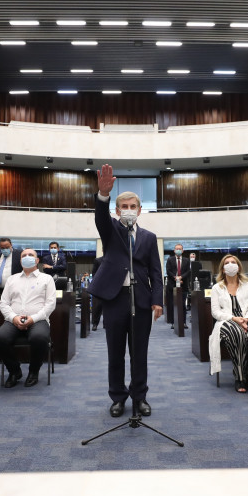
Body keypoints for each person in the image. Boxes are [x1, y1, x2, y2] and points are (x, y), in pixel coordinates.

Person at [88, 164, 163, 418]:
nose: (129, 210)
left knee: (139, 354)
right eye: (124, 207)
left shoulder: (150, 238)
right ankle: (118, 397)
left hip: (140, 300)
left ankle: (139, 396)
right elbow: (100, 217)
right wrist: (102, 194)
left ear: (140, 210)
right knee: (115, 354)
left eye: (133, 207)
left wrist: (158, 301)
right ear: (117, 210)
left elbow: (155, 272)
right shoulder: (111, 230)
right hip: (114, 300)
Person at [0, 249, 57, 388]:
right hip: (13, 319)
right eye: (24, 256)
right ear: (20, 260)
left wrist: (33, 319)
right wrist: (13, 317)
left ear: (37, 260)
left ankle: (33, 371)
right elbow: (3, 303)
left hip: (38, 320)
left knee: (39, 338)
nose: (27, 257)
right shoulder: (12, 279)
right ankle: (15, 371)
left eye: (31, 255)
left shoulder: (46, 279)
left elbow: (50, 304)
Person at [209, 254, 248, 393]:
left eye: (233, 262)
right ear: (223, 269)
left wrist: (246, 319)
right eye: (227, 263)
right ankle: (240, 378)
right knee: (237, 334)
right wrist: (234, 318)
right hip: (227, 321)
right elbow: (215, 312)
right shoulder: (217, 288)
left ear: (238, 267)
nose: (230, 265)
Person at [165, 243, 190, 329]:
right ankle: (173, 322)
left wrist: (181, 277)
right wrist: (175, 278)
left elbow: (188, 271)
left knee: (183, 305)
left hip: (184, 285)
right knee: (173, 305)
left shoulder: (187, 260)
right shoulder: (170, 259)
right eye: (176, 249)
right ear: (174, 250)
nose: (178, 250)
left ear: (182, 251)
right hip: (172, 285)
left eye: (180, 249)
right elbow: (168, 271)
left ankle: (183, 322)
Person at [90, 256, 103, 331]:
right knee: (97, 306)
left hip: (110, 286)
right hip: (98, 285)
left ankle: (106, 324)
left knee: (108, 306)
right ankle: (95, 323)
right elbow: (94, 273)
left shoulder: (113, 259)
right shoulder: (97, 260)